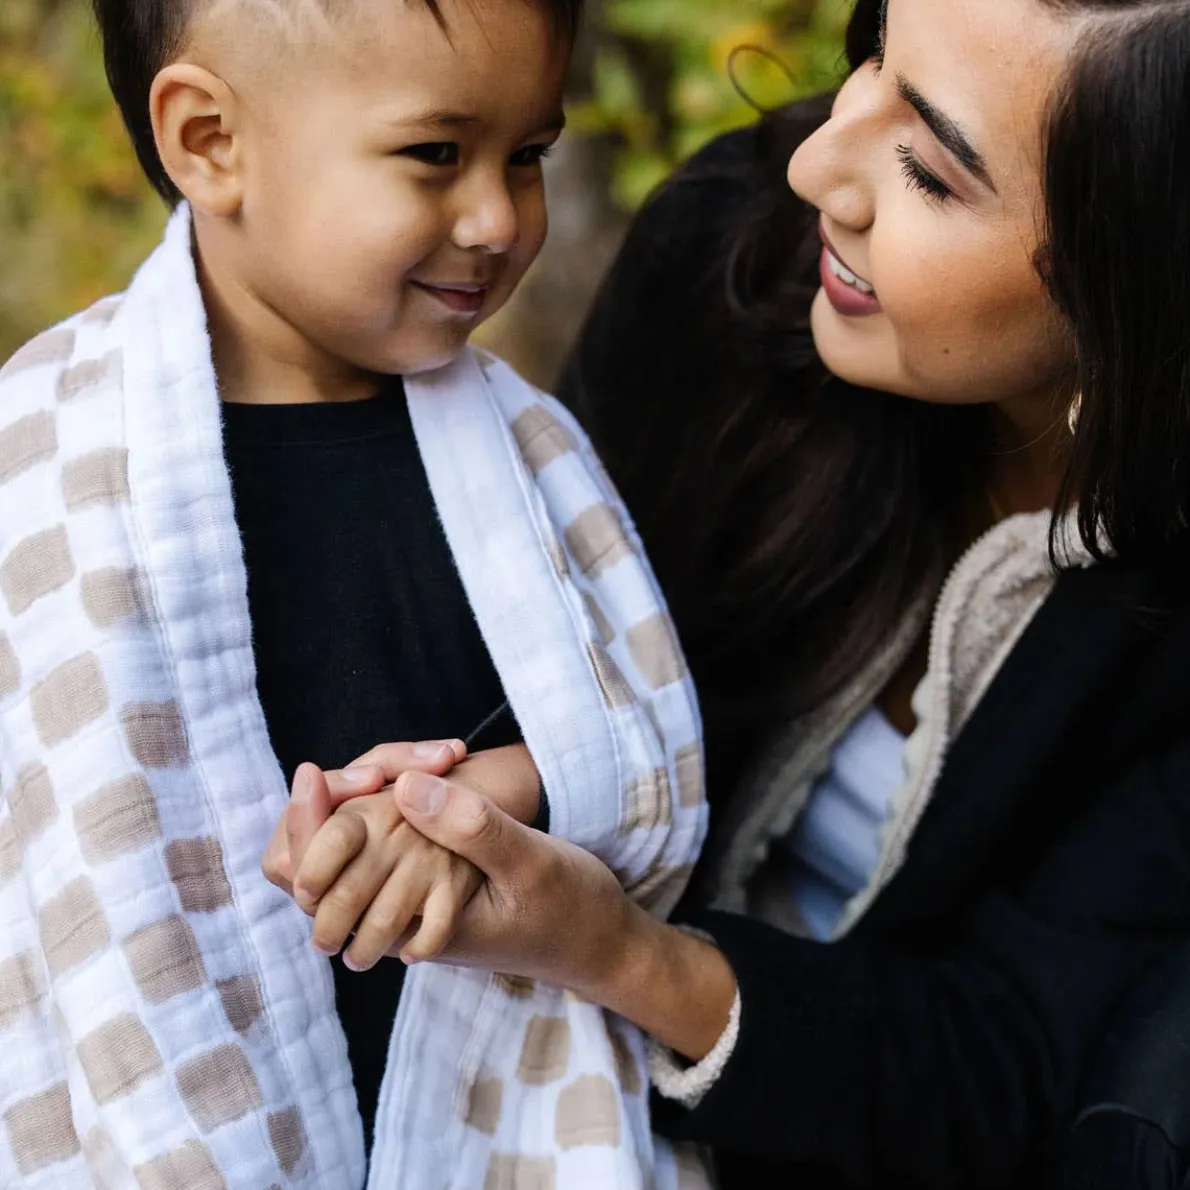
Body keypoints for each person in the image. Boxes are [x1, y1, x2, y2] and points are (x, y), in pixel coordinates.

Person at [270, 0, 1190, 1184]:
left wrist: (620, 952)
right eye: (870, 58)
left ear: (1142, 290)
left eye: (925, 167)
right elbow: (555, 631)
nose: (820, 162)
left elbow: (1004, 1063)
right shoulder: (731, 255)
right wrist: (512, 782)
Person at [0, 0, 709, 1186]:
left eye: (527, 156)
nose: (496, 218)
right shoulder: (47, 460)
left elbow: (639, 743)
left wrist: (485, 804)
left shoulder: (531, 456)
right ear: (209, 140)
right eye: (436, 154)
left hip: (489, 1116)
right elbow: (50, 850)